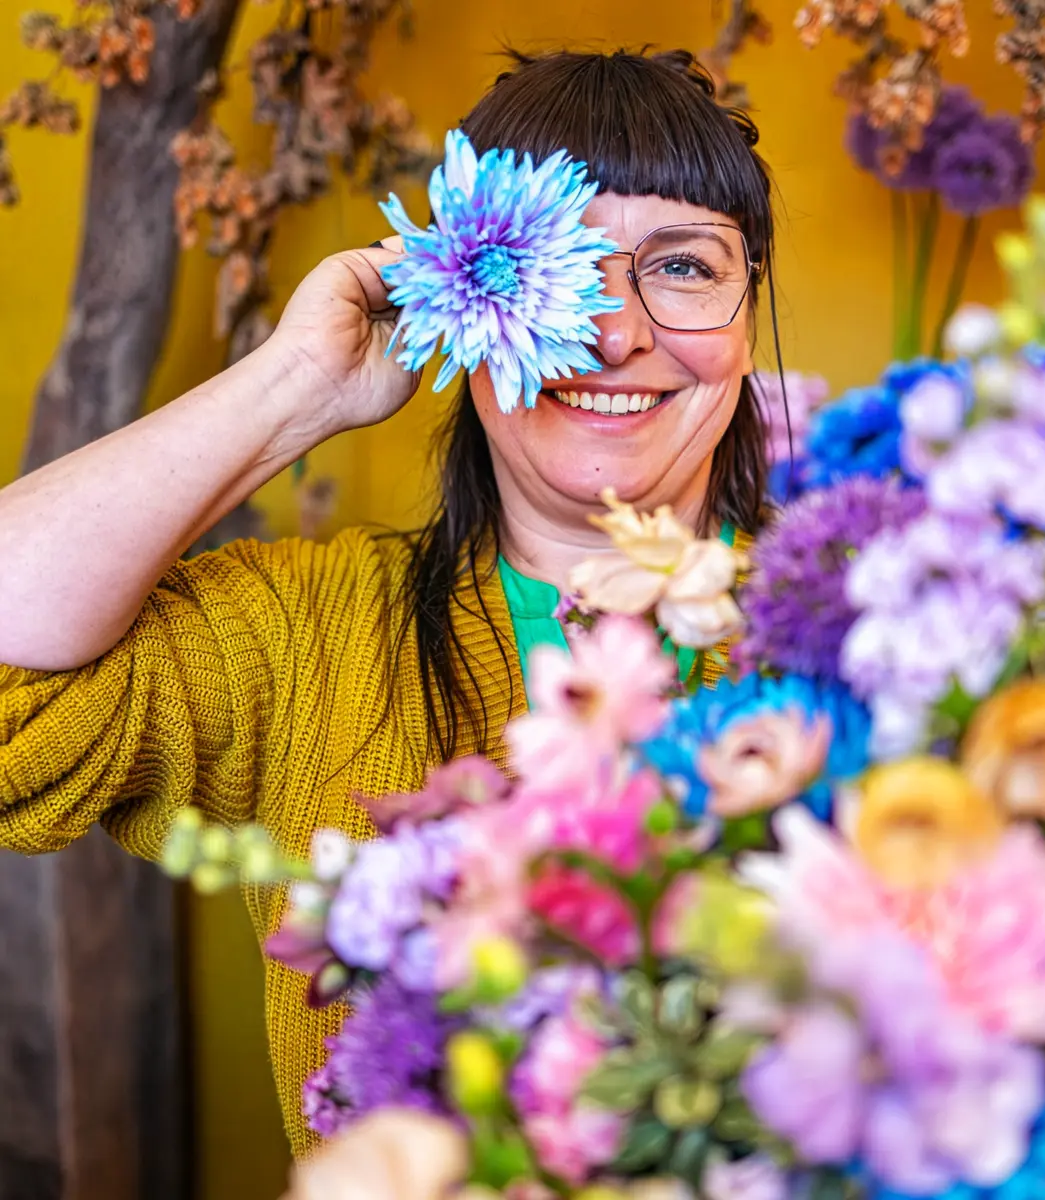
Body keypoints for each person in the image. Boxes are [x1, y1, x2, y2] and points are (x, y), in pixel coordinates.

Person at [0, 48, 778, 1156]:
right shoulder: (315, 630)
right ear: (460, 297)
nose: (616, 331)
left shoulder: (872, 621)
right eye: (561, 266)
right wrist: (297, 388)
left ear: (749, 318)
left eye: (685, 268)